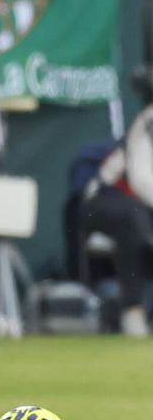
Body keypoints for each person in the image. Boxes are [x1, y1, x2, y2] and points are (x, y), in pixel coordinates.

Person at [81, 67, 153, 337]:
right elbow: (141, 179)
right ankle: (132, 310)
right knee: (132, 216)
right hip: (105, 200)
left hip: (143, 208)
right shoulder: (150, 119)